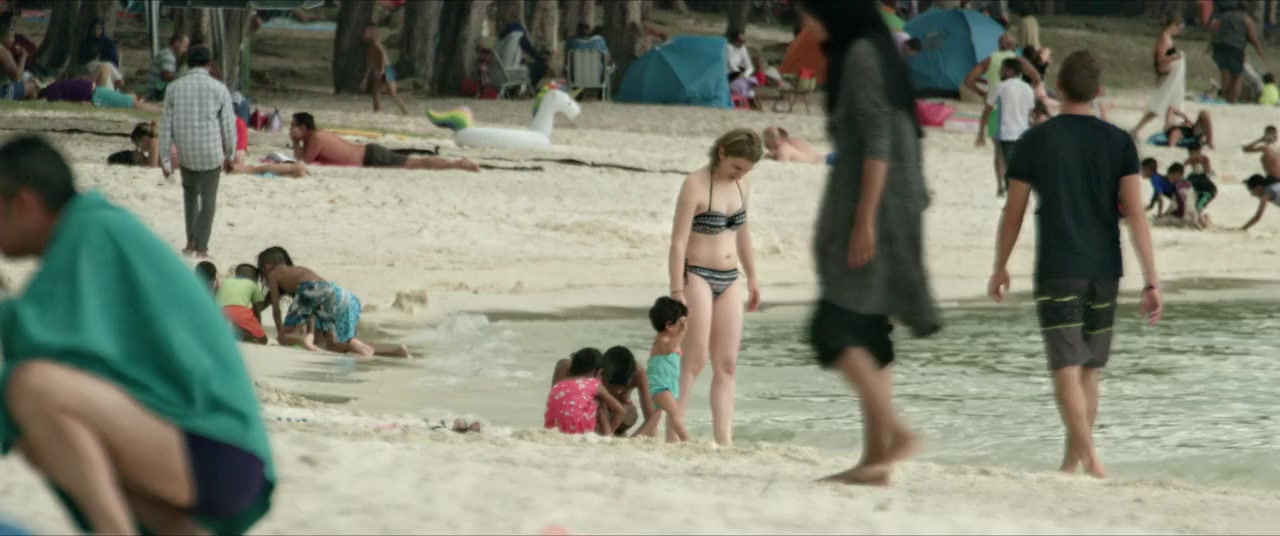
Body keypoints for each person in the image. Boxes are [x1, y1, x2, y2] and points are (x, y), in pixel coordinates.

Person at [0, 136, 274, 534]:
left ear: (22, 204)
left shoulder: (90, 233)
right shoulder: (97, 230)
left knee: (30, 388)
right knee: (31, 423)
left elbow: (33, 342)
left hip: (215, 450)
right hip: (217, 449)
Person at [989, 50, 1162, 479]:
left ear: (1058, 88)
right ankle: (1071, 464)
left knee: (1066, 364)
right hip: (1105, 267)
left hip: (1058, 266)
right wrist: (1151, 281)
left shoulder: (1034, 141)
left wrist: (1001, 265)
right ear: (1098, 91)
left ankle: (1090, 459)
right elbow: (1136, 215)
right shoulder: (1119, 142)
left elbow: (1013, 212)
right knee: (1088, 367)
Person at [798, 0, 938, 487]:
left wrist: (864, 220)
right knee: (870, 329)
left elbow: (878, 137)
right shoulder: (875, 52)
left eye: (810, 14)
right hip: (895, 203)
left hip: (876, 206)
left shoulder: (860, 54)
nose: (805, 25)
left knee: (832, 328)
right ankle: (876, 460)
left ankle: (898, 434)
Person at [667, 129, 764, 447]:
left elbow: (743, 233)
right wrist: (676, 292)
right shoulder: (694, 184)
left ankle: (725, 442)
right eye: (736, 167)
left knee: (727, 364)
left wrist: (753, 276)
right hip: (697, 275)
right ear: (721, 152)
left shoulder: (742, 183)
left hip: (730, 278)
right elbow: (678, 243)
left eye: (746, 170)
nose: (740, 174)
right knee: (693, 361)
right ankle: (673, 437)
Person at [257, 246, 410, 359]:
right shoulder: (298, 272)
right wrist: (310, 333)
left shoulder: (274, 273)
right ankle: (393, 351)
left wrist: (281, 333)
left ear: (267, 267)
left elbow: (276, 308)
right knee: (332, 344)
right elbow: (312, 306)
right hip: (331, 291)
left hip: (314, 289)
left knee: (286, 336)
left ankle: (307, 343)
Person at [160, 46, 236, 258]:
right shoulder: (218, 88)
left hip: (186, 151)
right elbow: (228, 125)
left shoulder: (174, 88)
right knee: (208, 200)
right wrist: (230, 155)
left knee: (190, 197)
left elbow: (165, 125)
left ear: (187, 63)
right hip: (211, 152)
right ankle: (202, 246)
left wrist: (165, 159)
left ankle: (190, 241)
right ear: (209, 64)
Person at [967, 33, 1041, 188]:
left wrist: (983, 94)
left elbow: (969, 80)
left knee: (998, 151)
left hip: (995, 110)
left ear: (999, 44)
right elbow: (1036, 77)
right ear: (1013, 46)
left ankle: (1000, 184)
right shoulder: (1018, 61)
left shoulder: (990, 60)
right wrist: (1027, 91)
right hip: (1015, 109)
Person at [289, 112, 479, 171]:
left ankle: (457, 164)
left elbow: (303, 162)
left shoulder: (316, 138)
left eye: (293, 127)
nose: (291, 130)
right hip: (369, 155)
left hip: (371, 157)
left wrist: (295, 142)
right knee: (415, 162)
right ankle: (456, 164)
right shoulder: (317, 136)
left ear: (303, 128)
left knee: (417, 163)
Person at [129, 120, 308, 177]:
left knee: (251, 170)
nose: (140, 149)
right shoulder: (162, 142)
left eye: (138, 144)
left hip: (203, 162)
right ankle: (291, 170)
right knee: (250, 170)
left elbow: (153, 169)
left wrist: (142, 161)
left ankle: (293, 168)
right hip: (202, 160)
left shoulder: (155, 142)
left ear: (144, 139)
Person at [550, 345, 652, 436]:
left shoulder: (638, 372)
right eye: (611, 385)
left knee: (628, 414)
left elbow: (650, 416)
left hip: (613, 414)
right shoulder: (569, 367)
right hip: (588, 412)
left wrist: (632, 438)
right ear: (600, 372)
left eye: (623, 388)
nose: (618, 392)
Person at [632, 296, 692, 441]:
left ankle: (639, 438)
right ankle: (688, 441)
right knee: (675, 414)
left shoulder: (671, 339)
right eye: (680, 323)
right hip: (659, 385)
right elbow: (669, 348)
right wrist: (682, 332)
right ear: (669, 325)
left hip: (667, 385)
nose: (683, 326)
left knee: (655, 417)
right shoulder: (662, 339)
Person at [544, 348, 626, 435]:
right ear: (599, 372)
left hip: (552, 428)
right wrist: (611, 428)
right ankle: (607, 436)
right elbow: (620, 411)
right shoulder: (594, 384)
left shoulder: (559, 385)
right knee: (599, 403)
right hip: (579, 430)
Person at [1130, 14, 1186, 139]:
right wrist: (1175, 57)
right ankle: (1136, 129)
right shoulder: (1164, 38)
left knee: (1170, 105)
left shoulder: (1167, 38)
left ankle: (1168, 127)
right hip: (1166, 77)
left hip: (1170, 75)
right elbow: (1161, 59)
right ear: (1173, 25)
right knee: (1157, 106)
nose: (1180, 32)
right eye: (1179, 28)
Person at [992, 57, 1036, 196]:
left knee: (1004, 159)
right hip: (1023, 131)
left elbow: (989, 108)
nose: (1000, 71)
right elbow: (1030, 112)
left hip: (1005, 131)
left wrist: (983, 130)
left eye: (1002, 69)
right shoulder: (1028, 88)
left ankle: (1006, 187)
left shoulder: (1001, 86)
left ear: (1008, 70)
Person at [1209, 3, 1263, 104]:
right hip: (1235, 49)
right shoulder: (1246, 19)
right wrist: (1260, 52)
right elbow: (1253, 38)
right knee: (1237, 76)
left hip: (1219, 48)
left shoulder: (1224, 17)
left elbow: (1214, 29)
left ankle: (1225, 98)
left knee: (1224, 73)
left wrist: (1209, 47)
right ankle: (1232, 100)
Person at [215, 263, 270, 344]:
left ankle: (230, 330)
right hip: (239, 311)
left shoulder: (226, 282)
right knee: (263, 340)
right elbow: (257, 309)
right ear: (254, 278)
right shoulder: (252, 284)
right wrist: (258, 327)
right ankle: (240, 335)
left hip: (219, 312)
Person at [360, 26, 409, 115]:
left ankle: (405, 111)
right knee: (376, 91)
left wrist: (382, 71)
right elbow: (369, 64)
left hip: (387, 70)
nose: (362, 35)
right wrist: (365, 78)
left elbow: (382, 56)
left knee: (392, 92)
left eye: (364, 33)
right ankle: (377, 111)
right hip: (382, 71)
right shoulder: (370, 48)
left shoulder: (376, 45)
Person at [496, 22, 547, 89]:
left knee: (529, 65)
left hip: (497, 76)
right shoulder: (518, 35)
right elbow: (530, 50)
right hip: (509, 74)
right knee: (541, 65)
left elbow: (509, 55)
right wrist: (542, 59)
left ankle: (521, 89)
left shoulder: (500, 40)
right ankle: (530, 89)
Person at [76, 17, 123, 88]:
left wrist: (102, 59)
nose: (96, 31)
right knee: (106, 66)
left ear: (102, 29)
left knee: (106, 67)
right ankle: (118, 79)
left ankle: (107, 91)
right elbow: (81, 59)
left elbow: (114, 59)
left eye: (98, 28)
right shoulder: (85, 43)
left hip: (108, 65)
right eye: (93, 28)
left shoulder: (108, 43)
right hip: (90, 65)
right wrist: (93, 58)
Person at [144, 33, 188, 101]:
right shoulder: (168, 56)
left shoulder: (167, 54)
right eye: (184, 46)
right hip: (155, 93)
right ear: (176, 43)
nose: (185, 50)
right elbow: (167, 76)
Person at [1183, 142, 1217, 214]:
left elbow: (1183, 167)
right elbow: (1207, 170)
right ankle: (1199, 208)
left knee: (1196, 195)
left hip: (1193, 178)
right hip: (1200, 178)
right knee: (1211, 191)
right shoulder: (1203, 158)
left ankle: (1196, 209)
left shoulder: (1190, 158)